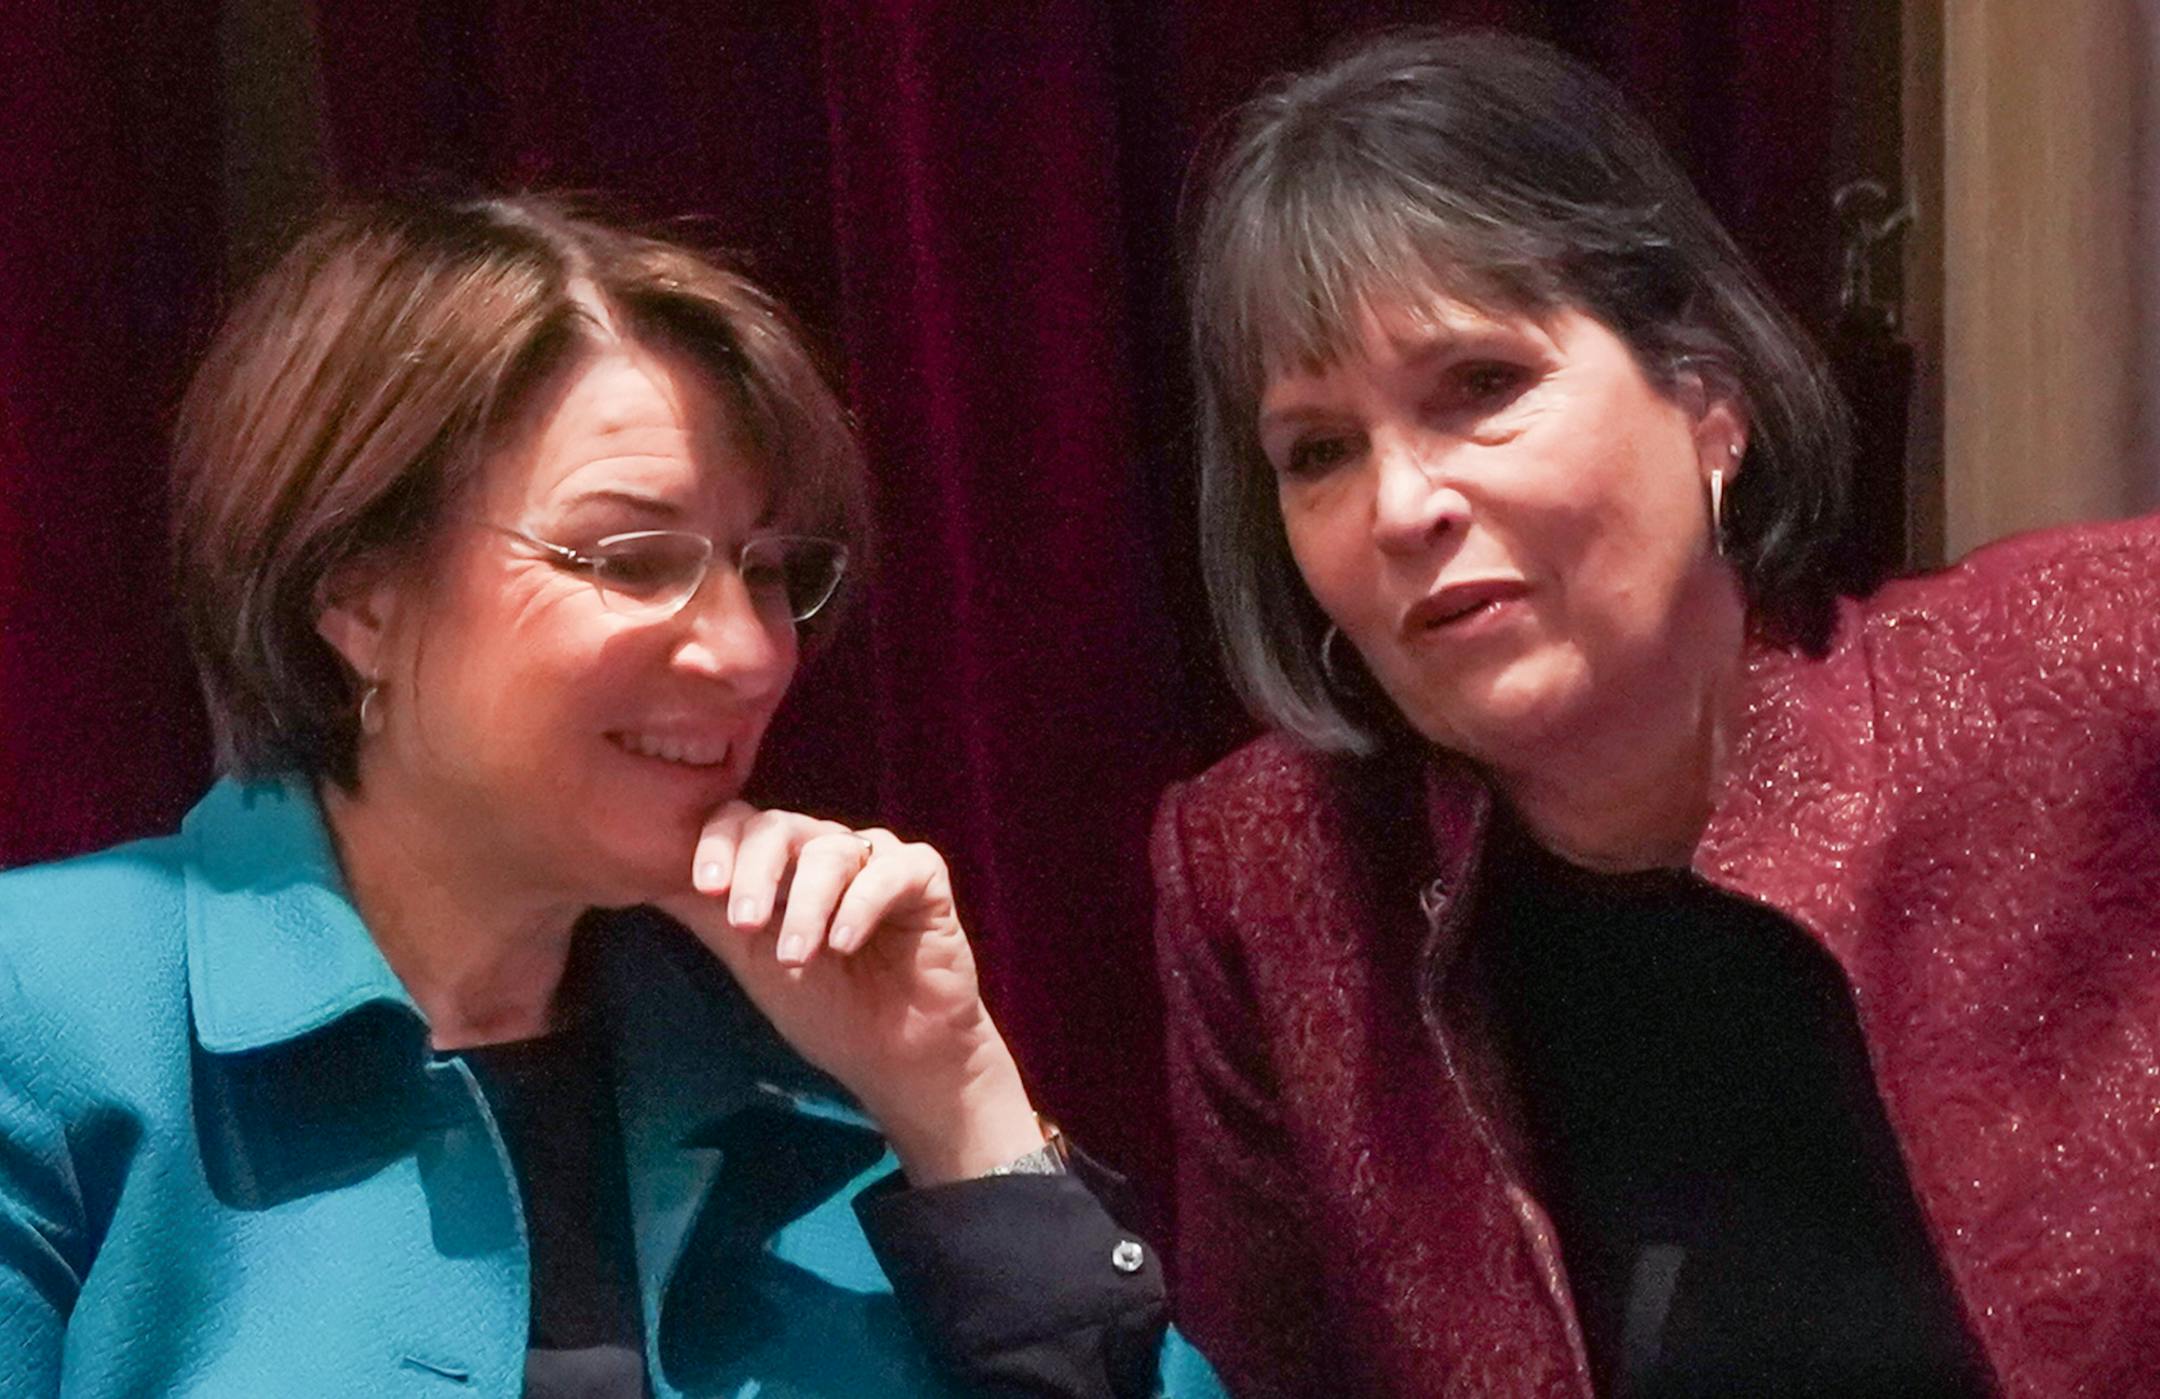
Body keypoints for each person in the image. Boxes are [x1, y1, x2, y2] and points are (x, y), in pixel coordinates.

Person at [0, 196, 1221, 1399]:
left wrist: (953, 1101)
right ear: (357, 596)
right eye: (634, 561)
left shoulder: (788, 1044)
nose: (751, 653)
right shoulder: (51, 1010)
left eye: (768, 572)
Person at [1155, 27, 2160, 1399]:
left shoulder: (2085, 678)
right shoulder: (1280, 882)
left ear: (1709, 402)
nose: (1402, 507)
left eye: (1481, 387)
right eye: (1320, 451)